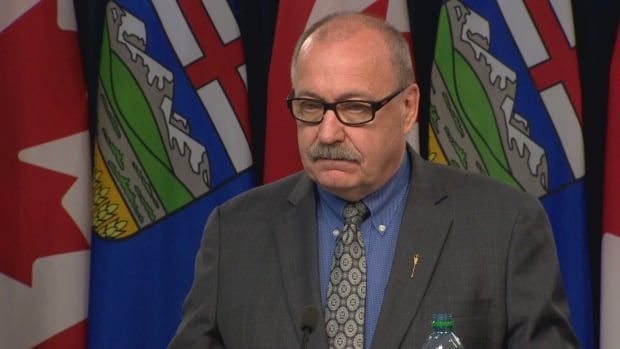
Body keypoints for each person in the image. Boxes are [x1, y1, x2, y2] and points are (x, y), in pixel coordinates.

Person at [169, 12, 578, 349]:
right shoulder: (235, 231)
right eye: (310, 106)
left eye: (354, 107)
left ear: (408, 107)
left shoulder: (503, 226)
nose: (327, 133)